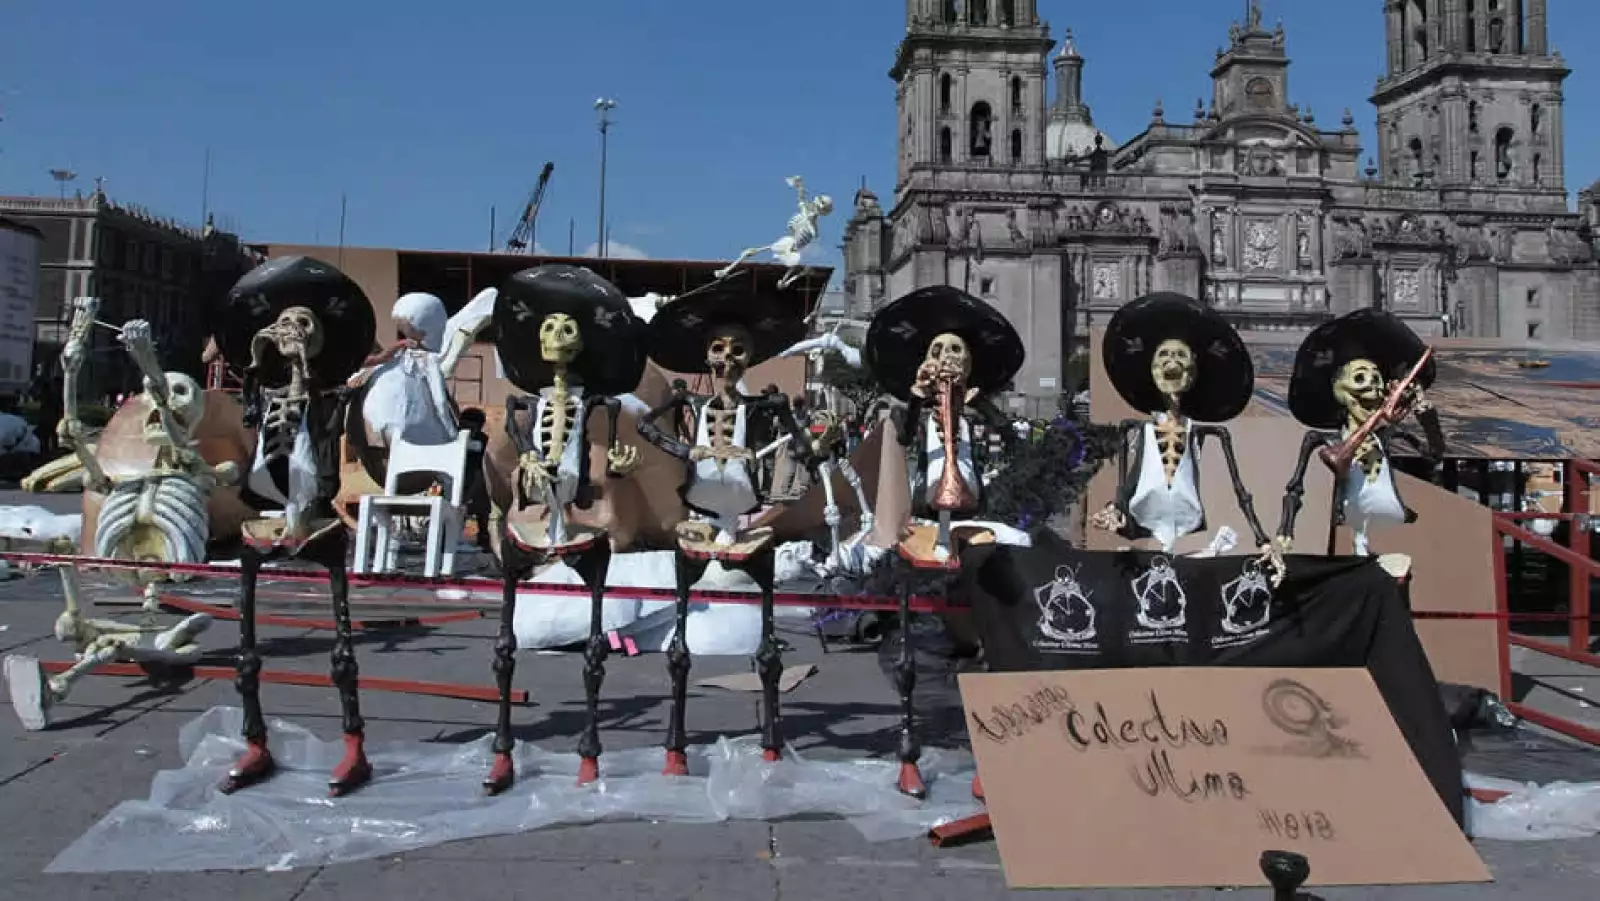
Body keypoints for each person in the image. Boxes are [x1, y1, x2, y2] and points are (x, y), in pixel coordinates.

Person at [457, 407, 492, 549]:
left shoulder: (484, 440)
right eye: (464, 426)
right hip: (457, 478)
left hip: (476, 479)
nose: (468, 431)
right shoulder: (454, 435)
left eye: (472, 427)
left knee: (482, 493)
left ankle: (484, 536)